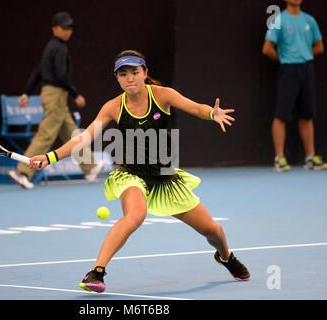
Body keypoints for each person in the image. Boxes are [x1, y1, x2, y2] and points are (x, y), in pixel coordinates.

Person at [27, 50, 250, 293]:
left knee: (212, 230)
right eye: (124, 74)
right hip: (131, 174)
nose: (130, 78)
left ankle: (226, 257)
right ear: (117, 78)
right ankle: (96, 273)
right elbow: (83, 138)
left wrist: (212, 113)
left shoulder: (162, 95)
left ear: (145, 73)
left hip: (165, 178)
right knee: (135, 216)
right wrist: (50, 157)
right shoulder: (112, 107)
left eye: (135, 72)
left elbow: (195, 107)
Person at [8, 12, 105, 189]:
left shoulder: (49, 48)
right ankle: (22, 171)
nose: (68, 31)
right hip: (55, 96)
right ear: (55, 29)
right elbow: (61, 76)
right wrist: (76, 94)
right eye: (64, 28)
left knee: (71, 133)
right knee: (46, 134)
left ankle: (90, 168)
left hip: (54, 96)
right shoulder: (59, 48)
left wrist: (26, 94)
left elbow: (38, 71)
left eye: (70, 28)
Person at [262, 0, 326, 172]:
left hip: (307, 69)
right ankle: (279, 158)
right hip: (288, 70)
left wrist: (303, 55)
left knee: (307, 114)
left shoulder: (309, 20)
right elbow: (267, 48)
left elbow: (319, 46)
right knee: (281, 114)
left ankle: (310, 158)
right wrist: (285, 59)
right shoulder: (278, 20)